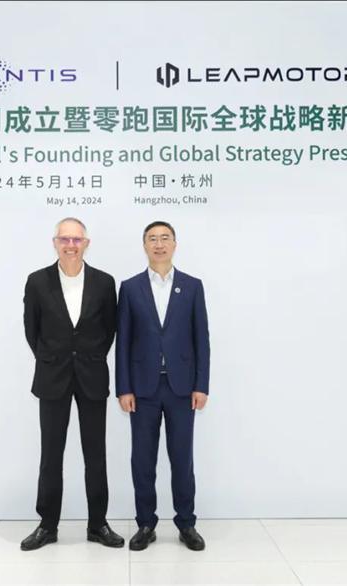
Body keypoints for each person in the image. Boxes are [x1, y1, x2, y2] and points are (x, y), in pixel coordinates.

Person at [20, 218, 125, 551]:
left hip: (92, 376)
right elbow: (32, 330)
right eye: (64, 239)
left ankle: (98, 525)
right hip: (53, 377)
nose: (70, 245)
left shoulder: (104, 282)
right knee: (51, 455)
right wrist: (53, 358)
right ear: (55, 242)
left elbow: (110, 330)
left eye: (76, 239)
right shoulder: (37, 281)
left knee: (96, 455)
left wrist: (88, 357)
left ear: (86, 244)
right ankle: (47, 525)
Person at [115, 221, 210, 551]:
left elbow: (201, 339)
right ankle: (145, 523)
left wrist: (202, 385)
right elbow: (123, 341)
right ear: (144, 245)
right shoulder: (130, 288)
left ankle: (186, 523)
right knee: (143, 460)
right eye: (152, 239)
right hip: (142, 390)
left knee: (182, 458)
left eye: (165, 238)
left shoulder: (192, 286)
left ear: (174, 244)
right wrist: (123, 388)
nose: (159, 244)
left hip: (182, 388)